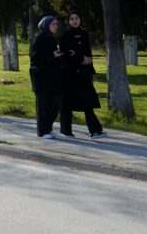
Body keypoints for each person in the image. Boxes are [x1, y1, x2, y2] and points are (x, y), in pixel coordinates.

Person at [59, 11, 106, 139]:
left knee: (87, 101)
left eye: (77, 18)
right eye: (72, 19)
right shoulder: (66, 35)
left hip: (84, 73)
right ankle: (65, 131)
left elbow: (88, 53)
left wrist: (92, 71)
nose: (75, 21)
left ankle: (95, 130)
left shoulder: (85, 34)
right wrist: (80, 57)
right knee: (67, 103)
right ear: (68, 21)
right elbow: (65, 54)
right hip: (69, 75)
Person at [29, 15, 64, 139]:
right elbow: (34, 57)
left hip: (52, 78)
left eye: (56, 24)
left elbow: (52, 57)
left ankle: (48, 127)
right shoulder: (39, 38)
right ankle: (42, 131)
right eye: (53, 24)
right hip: (41, 78)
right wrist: (51, 55)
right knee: (42, 106)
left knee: (56, 102)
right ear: (46, 25)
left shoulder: (52, 39)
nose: (56, 26)